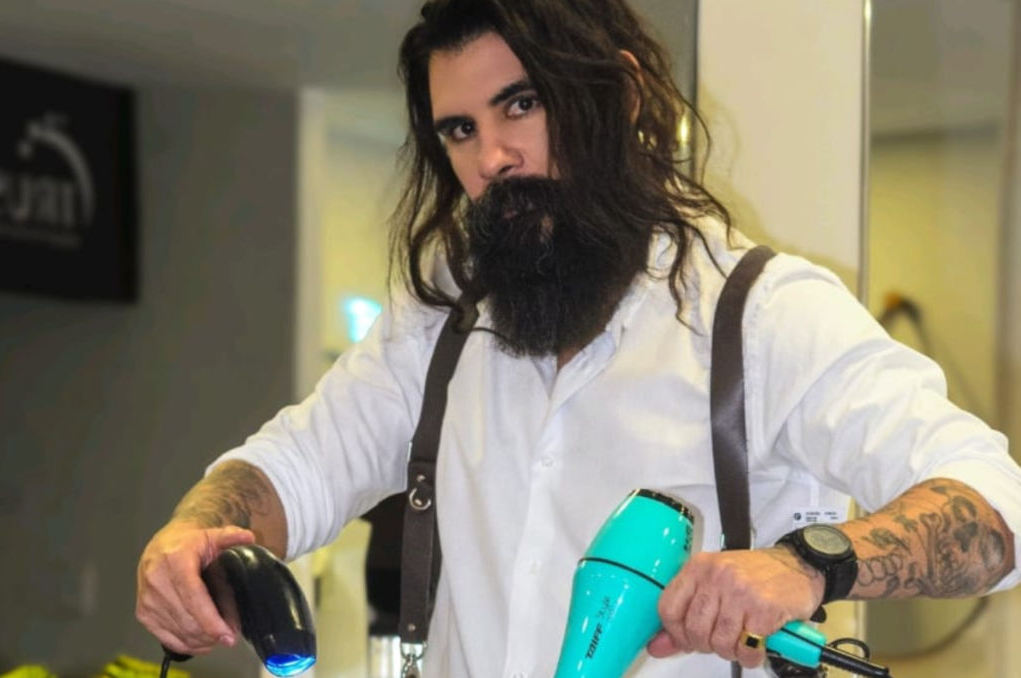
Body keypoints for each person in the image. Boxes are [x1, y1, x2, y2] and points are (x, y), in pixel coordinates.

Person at [135, 1, 1021, 676]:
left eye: (521, 106)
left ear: (620, 97)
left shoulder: (761, 315)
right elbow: (295, 468)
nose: (492, 159)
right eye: (461, 130)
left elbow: (997, 510)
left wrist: (807, 567)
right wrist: (194, 535)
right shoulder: (442, 319)